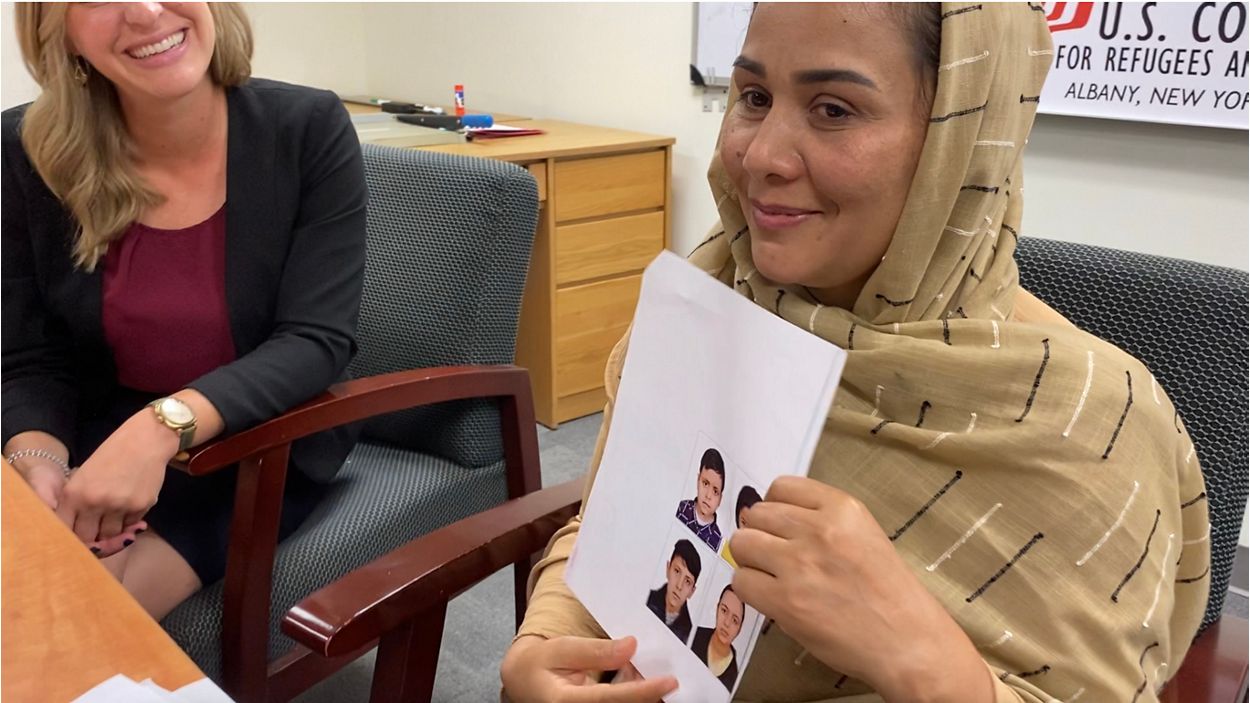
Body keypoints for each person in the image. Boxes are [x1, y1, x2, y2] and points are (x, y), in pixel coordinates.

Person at [501, 4, 1208, 703]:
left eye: (833, 110)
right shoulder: (711, 296)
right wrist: (547, 639)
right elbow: (611, 524)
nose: (761, 156)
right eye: (754, 96)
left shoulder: (1094, 424)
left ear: (958, 140)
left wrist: (921, 656)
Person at [2, 2, 367, 620]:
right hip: (96, 427)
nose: (146, 11)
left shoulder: (306, 125)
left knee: (75, 618)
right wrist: (38, 461)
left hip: (255, 438)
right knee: (29, 591)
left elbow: (315, 339)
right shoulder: (23, 148)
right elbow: (30, 354)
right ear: (57, 32)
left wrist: (157, 430)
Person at [645, 539, 702, 644]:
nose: (679, 586)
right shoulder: (646, 598)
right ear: (668, 569)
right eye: (677, 571)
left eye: (687, 581)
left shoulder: (689, 635)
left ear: (692, 591)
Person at [690, 585, 745, 692]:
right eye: (724, 611)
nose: (727, 623)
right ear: (717, 609)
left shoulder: (733, 679)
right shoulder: (693, 635)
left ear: (739, 629)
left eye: (735, 620)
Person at [674, 447, 725, 550]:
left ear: (720, 499)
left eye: (715, 491)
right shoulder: (681, 509)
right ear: (698, 480)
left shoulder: (717, 541)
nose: (708, 496)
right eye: (705, 483)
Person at [720, 486, 761, 568]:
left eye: (752, 525)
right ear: (737, 515)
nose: (746, 530)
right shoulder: (725, 547)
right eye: (743, 522)